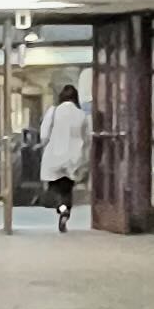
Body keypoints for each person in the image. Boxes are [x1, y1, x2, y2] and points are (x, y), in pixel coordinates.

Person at [39, 77, 89, 231]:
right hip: (74, 157)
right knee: (67, 188)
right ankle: (65, 210)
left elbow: (44, 134)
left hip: (55, 154)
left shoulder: (54, 111)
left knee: (54, 186)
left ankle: (61, 208)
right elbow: (87, 138)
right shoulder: (81, 115)